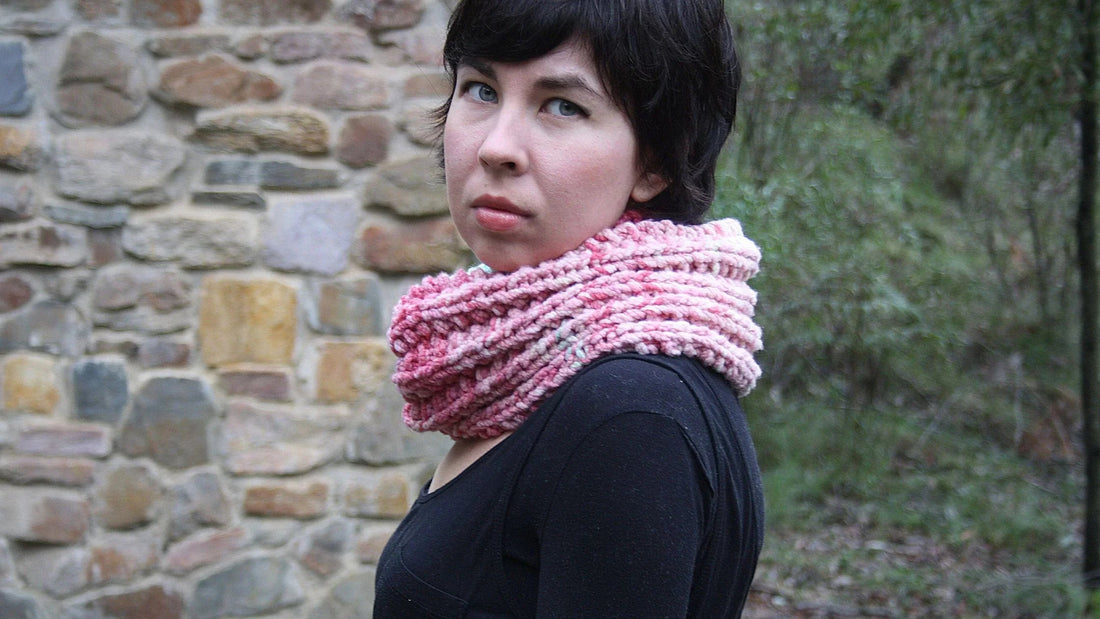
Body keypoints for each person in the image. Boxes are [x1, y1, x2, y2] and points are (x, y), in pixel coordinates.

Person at [374, 0, 765, 616]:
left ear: (657, 161)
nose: (497, 147)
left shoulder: (630, 414)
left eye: (563, 105)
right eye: (480, 89)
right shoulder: (542, 377)